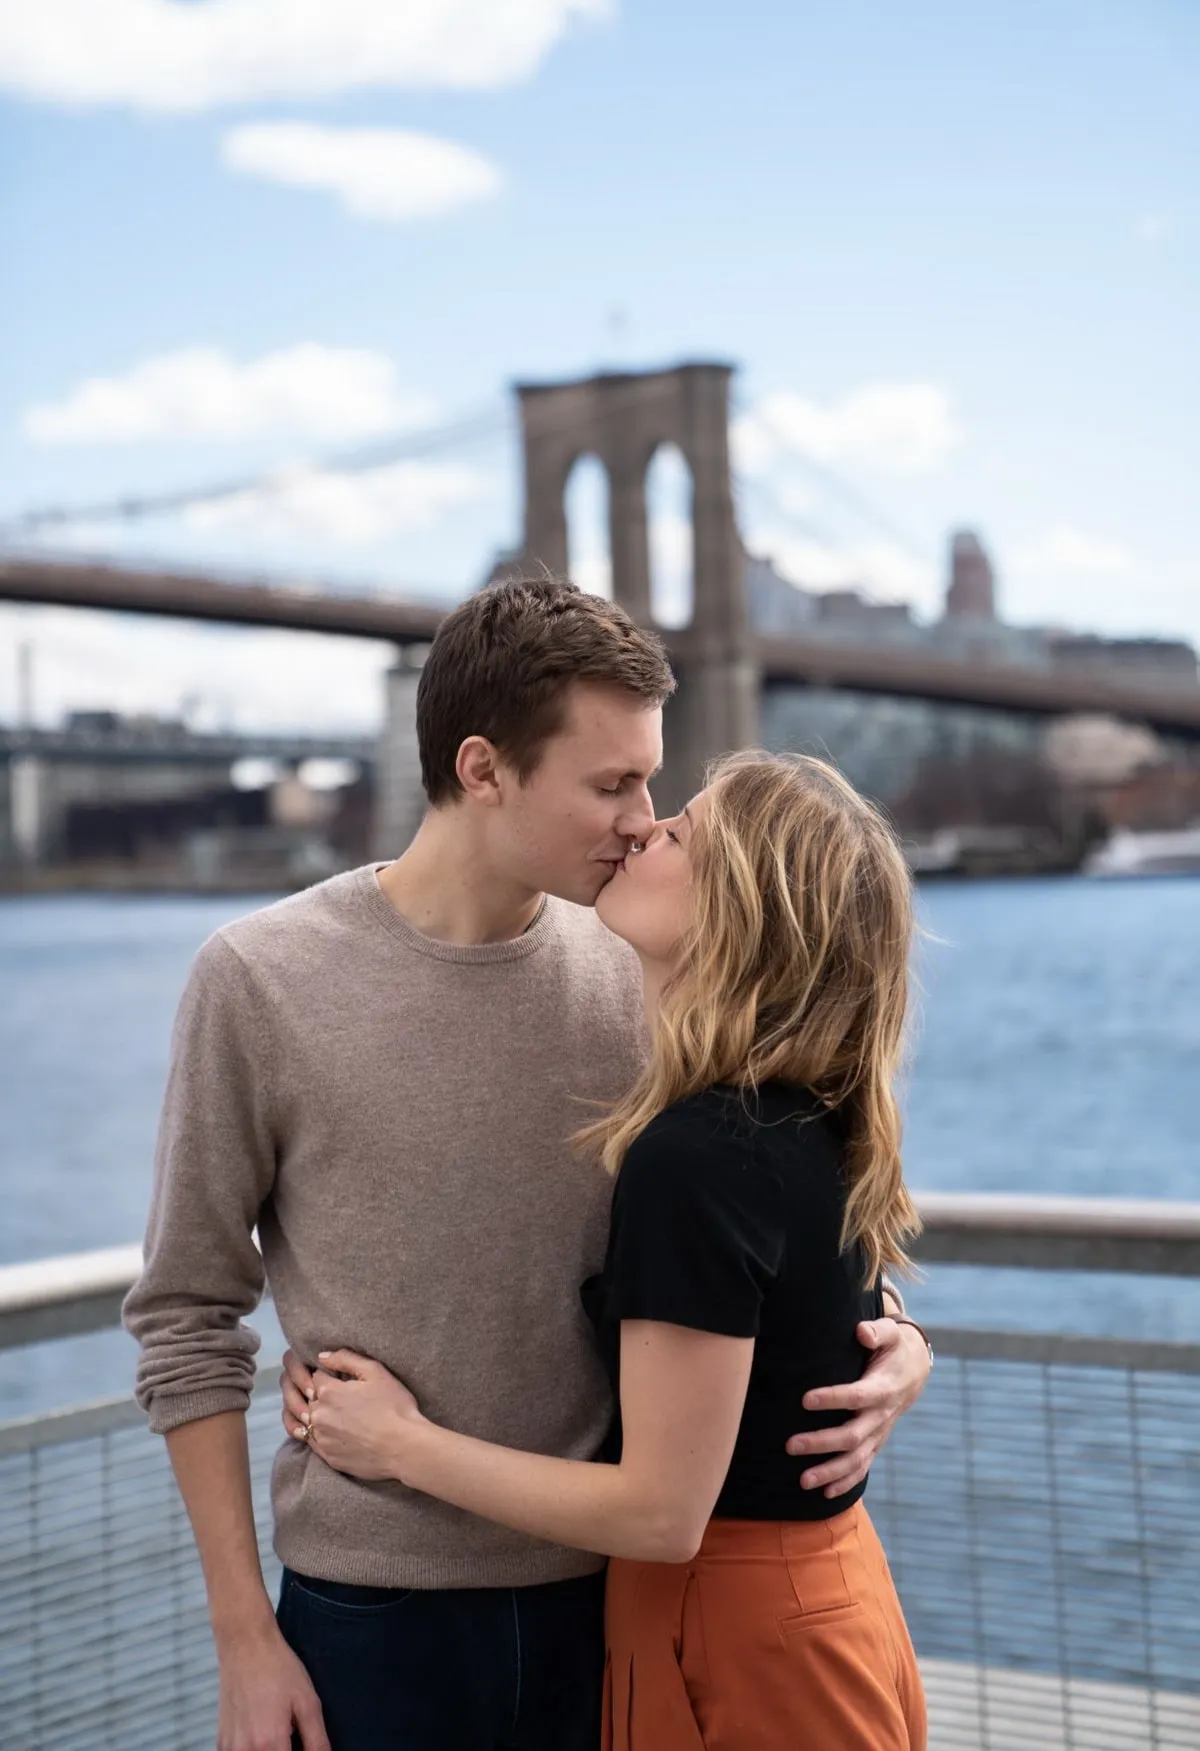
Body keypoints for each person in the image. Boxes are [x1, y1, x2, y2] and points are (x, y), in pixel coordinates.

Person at [123, 581, 932, 1751]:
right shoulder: (258, 977)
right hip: (369, 1613)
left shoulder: (649, 965)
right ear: (484, 767)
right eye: (612, 784)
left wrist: (893, 1342)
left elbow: (781, 1207)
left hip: (614, 1600)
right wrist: (245, 1639)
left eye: (653, 781)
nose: (643, 818)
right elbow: (187, 1318)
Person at [289, 751, 927, 1750]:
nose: (642, 829)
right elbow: (809, 1312)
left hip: (739, 1636)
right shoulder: (799, 1111)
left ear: (742, 910)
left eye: (679, 832)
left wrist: (397, 1442)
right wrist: (903, 1342)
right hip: (805, 1609)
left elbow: (663, 1512)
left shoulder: (702, 1152)